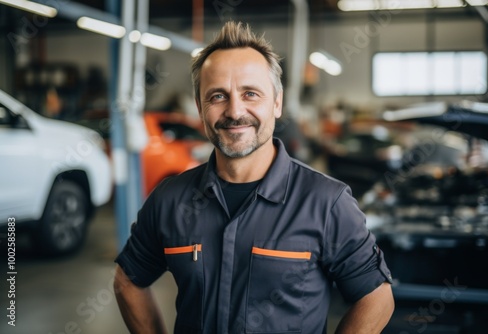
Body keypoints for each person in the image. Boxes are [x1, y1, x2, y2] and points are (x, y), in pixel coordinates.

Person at [114, 21, 394, 334]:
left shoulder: (326, 202)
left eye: (250, 94)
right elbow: (128, 279)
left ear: (276, 102)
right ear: (199, 107)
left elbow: (376, 296)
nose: (235, 111)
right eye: (218, 96)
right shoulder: (170, 199)